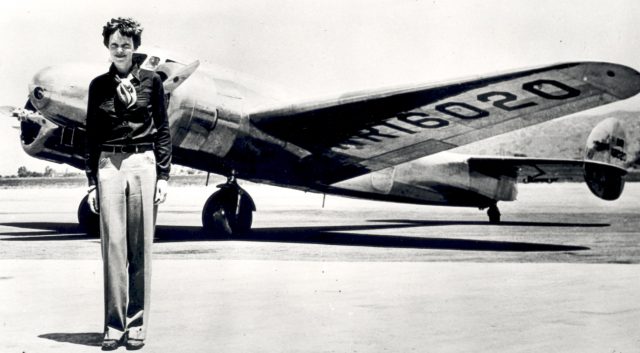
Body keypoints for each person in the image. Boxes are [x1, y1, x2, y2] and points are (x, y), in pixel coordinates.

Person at [84, 17, 171, 351]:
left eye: (126, 44)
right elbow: (91, 136)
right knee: (113, 250)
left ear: (135, 47)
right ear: (107, 47)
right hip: (109, 164)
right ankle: (113, 326)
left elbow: (162, 130)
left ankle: (136, 326)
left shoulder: (152, 82)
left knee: (140, 249)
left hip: (143, 163)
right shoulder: (97, 86)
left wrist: (163, 176)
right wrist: (92, 181)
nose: (120, 50)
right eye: (114, 44)